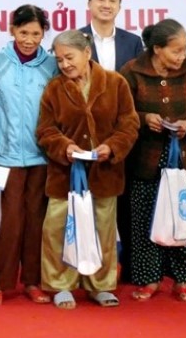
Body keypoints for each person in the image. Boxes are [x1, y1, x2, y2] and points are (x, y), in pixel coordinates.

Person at [36, 30, 139, 309]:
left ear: (87, 53)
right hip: (64, 174)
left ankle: (100, 285)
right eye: (59, 60)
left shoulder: (115, 83)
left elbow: (129, 124)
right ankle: (60, 284)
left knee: (103, 229)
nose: (65, 64)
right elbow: (45, 130)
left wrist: (112, 147)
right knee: (58, 229)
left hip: (105, 173)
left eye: (69, 57)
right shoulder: (54, 89)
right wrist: (64, 147)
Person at [120, 19, 186, 303]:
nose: (182, 56)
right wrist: (144, 119)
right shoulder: (132, 71)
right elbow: (121, 111)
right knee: (144, 219)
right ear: (157, 49)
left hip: (182, 157)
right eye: (176, 51)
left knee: (180, 217)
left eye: (185, 49)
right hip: (144, 159)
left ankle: (181, 279)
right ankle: (148, 279)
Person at [0, 5, 58, 306]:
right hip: (6, 154)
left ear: (43, 34)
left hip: (42, 156)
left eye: (36, 34)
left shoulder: (52, 65)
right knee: (11, 220)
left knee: (37, 219)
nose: (29, 40)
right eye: (23, 32)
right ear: (12, 30)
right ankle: (0, 284)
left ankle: (33, 282)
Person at [79, 0, 144, 283]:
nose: (106, 4)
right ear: (89, 4)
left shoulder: (133, 43)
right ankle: (86, 266)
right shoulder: (76, 39)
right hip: (85, 135)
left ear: (119, 6)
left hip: (122, 135)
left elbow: (139, 88)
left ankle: (129, 268)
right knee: (88, 204)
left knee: (126, 204)